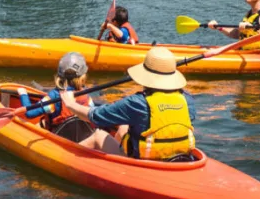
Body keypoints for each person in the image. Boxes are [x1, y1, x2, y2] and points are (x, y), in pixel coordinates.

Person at [61, 47, 197, 161]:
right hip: (179, 159)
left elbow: (95, 116)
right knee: (123, 127)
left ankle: (63, 158)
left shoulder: (137, 103)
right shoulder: (188, 100)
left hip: (144, 163)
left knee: (98, 135)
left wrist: (70, 104)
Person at [17, 52, 96, 142]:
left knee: (41, 123)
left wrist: (23, 94)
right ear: (83, 76)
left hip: (59, 140)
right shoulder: (87, 96)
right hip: (82, 139)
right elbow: (94, 116)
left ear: (59, 75)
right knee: (42, 123)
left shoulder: (53, 97)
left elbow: (29, 113)